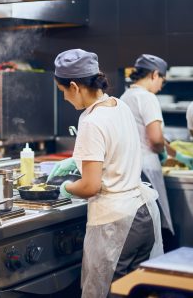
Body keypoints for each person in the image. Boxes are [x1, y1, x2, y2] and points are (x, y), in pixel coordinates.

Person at [49, 48, 163, 298]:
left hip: (117, 225)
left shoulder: (91, 120)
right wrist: (76, 161)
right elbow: (114, 152)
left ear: (74, 87)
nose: (65, 99)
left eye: (63, 92)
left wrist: (64, 188)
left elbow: (90, 187)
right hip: (142, 215)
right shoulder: (118, 105)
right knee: (135, 293)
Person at [120, 54, 193, 237]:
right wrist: (164, 153)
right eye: (162, 79)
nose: (161, 86)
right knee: (156, 221)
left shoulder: (125, 96)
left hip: (130, 167)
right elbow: (156, 139)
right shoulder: (147, 98)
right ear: (154, 74)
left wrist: (174, 153)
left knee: (141, 221)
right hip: (148, 167)